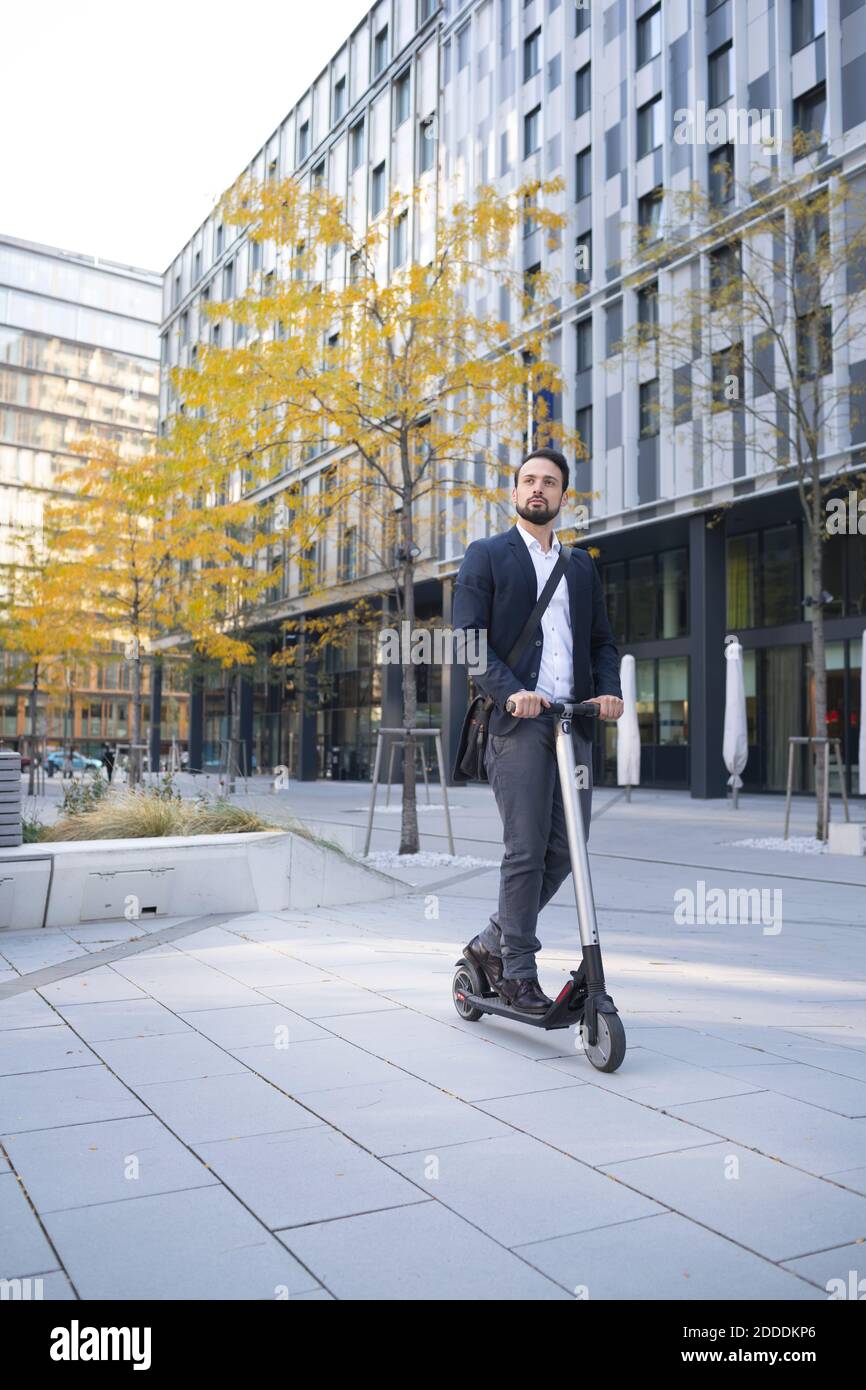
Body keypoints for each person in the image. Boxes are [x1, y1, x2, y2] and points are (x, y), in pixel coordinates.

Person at [453, 447, 624, 1017]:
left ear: (562, 497)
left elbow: (601, 641)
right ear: (516, 490)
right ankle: (515, 971)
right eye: (529, 480)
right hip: (519, 724)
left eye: (549, 482)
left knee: (565, 849)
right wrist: (512, 692)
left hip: (572, 725)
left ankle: (490, 941)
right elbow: (470, 643)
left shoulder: (580, 566)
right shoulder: (486, 556)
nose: (537, 489)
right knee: (525, 851)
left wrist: (608, 691)